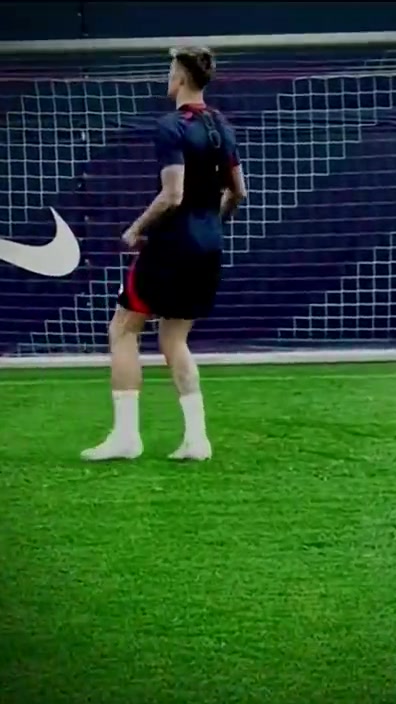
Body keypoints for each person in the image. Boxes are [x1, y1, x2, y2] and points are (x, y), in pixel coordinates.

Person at [81, 46, 247, 462]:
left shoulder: (171, 126)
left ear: (181, 77)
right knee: (174, 337)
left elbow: (172, 195)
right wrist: (210, 225)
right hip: (208, 246)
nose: (167, 77)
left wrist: (136, 229)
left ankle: (126, 436)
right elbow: (238, 193)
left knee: (123, 328)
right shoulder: (222, 125)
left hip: (173, 246)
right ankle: (196, 439)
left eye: (170, 70)